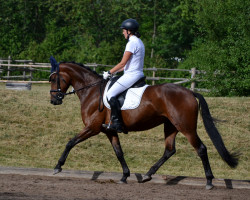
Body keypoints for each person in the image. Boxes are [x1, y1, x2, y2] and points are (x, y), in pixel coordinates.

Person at [102, 18, 145, 133]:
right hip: (137, 73)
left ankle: (117, 123)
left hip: (132, 75)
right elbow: (125, 66)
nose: (122, 32)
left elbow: (122, 63)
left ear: (129, 31)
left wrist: (109, 72)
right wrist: (114, 72)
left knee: (110, 94)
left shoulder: (132, 43)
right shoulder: (139, 42)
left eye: (123, 30)